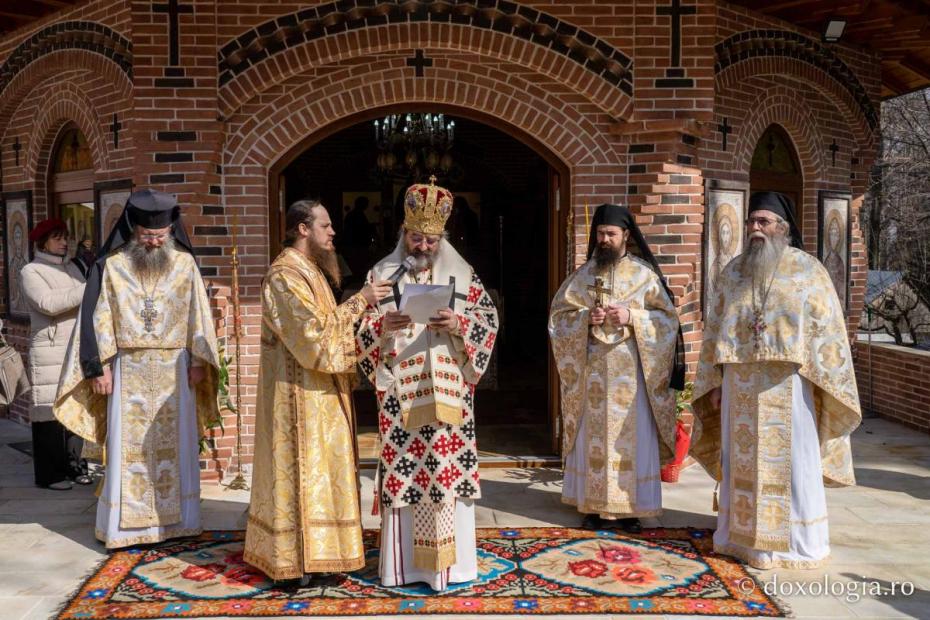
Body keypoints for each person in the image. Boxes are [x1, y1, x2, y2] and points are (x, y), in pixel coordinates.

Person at [691, 191, 861, 570]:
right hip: (739, 386)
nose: (755, 228)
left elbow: (828, 330)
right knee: (741, 460)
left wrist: (822, 382)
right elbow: (716, 329)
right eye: (751, 221)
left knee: (794, 461)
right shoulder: (733, 272)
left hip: (790, 386)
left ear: (783, 227)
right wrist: (716, 382)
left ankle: (795, 542)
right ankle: (741, 538)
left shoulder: (808, 270)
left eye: (763, 221)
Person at [54, 189, 221, 549]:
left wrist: (198, 361)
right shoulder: (112, 265)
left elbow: (199, 314)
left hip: (175, 370)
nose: (154, 242)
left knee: (177, 449)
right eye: (147, 235)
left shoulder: (184, 264)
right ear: (133, 229)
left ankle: (179, 523)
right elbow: (96, 319)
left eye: (160, 235)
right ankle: (125, 529)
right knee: (126, 451)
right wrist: (98, 367)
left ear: (171, 230)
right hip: (128, 370)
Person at [356, 177, 498, 591]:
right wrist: (384, 326)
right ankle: (403, 569)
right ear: (404, 233)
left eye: (431, 240)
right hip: (401, 395)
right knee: (408, 476)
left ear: (442, 239)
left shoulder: (464, 274)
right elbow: (359, 331)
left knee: (446, 475)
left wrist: (458, 323)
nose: (422, 246)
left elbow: (488, 322)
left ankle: (454, 568)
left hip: (451, 394)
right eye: (416, 237)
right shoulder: (382, 274)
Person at [244, 200, 391, 583]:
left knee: (323, 477)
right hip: (296, 399)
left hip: (321, 395)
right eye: (325, 225)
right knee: (300, 475)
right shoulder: (284, 275)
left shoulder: (311, 270)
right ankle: (292, 564)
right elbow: (313, 337)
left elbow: (329, 328)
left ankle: (325, 557)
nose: (333, 232)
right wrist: (361, 301)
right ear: (303, 229)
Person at [548, 203, 686, 533]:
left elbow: (668, 321)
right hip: (593, 375)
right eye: (600, 233)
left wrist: (632, 317)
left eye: (611, 233)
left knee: (630, 441)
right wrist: (585, 318)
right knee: (592, 440)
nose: (604, 239)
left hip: (631, 378)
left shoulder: (644, 275)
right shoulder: (583, 277)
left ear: (626, 235)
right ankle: (592, 507)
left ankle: (631, 510)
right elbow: (558, 318)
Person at [19, 219, 90, 490]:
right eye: (57, 238)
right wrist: (88, 287)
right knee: (48, 411)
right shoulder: (31, 271)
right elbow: (48, 304)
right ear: (43, 242)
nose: (64, 243)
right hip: (49, 349)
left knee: (77, 408)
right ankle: (51, 475)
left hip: (76, 346)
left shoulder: (74, 267)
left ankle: (75, 466)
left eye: (65, 238)